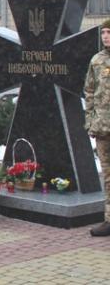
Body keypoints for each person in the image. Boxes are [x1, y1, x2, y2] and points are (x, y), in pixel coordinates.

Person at [84, 18, 110, 237]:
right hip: (102, 127)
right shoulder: (97, 60)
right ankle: (109, 220)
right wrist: (90, 121)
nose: (105, 37)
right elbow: (89, 92)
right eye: (103, 33)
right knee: (108, 176)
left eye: (109, 33)